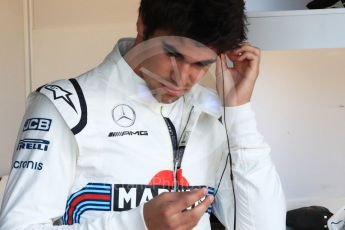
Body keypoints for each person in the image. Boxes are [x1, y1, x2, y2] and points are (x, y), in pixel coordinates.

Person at [0, 0, 286, 229]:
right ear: (143, 24)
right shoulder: (65, 107)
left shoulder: (214, 114)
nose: (181, 78)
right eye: (173, 54)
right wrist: (138, 223)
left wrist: (238, 112)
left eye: (201, 64)